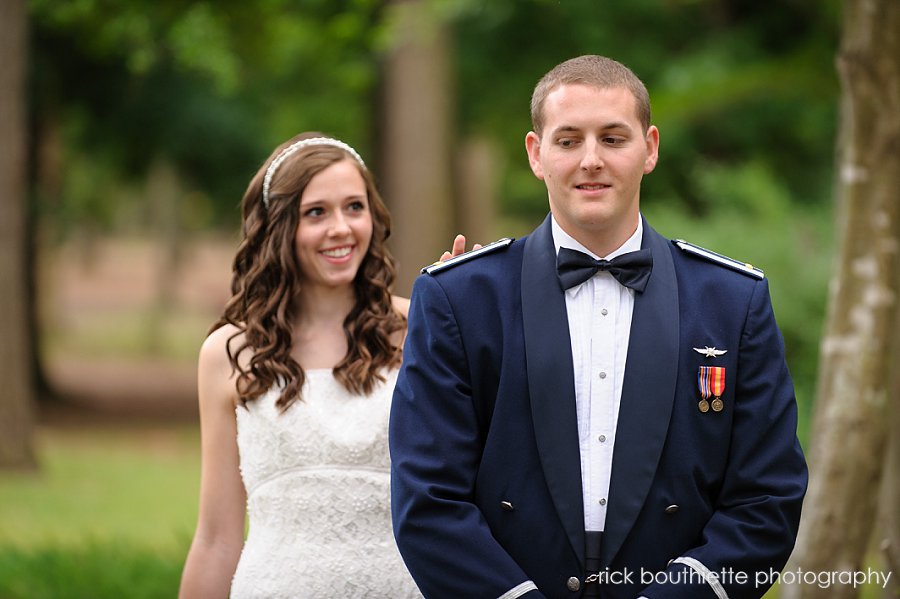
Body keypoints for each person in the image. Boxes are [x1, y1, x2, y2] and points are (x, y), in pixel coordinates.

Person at [389, 55, 808, 599]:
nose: (591, 160)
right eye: (568, 141)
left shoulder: (732, 302)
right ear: (537, 154)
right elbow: (428, 499)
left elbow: (766, 500)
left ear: (650, 148)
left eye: (613, 138)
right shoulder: (458, 298)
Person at [179, 132, 462, 598]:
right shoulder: (230, 353)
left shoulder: (422, 327)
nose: (341, 228)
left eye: (355, 207)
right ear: (278, 227)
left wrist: (464, 312)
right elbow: (216, 537)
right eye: (316, 212)